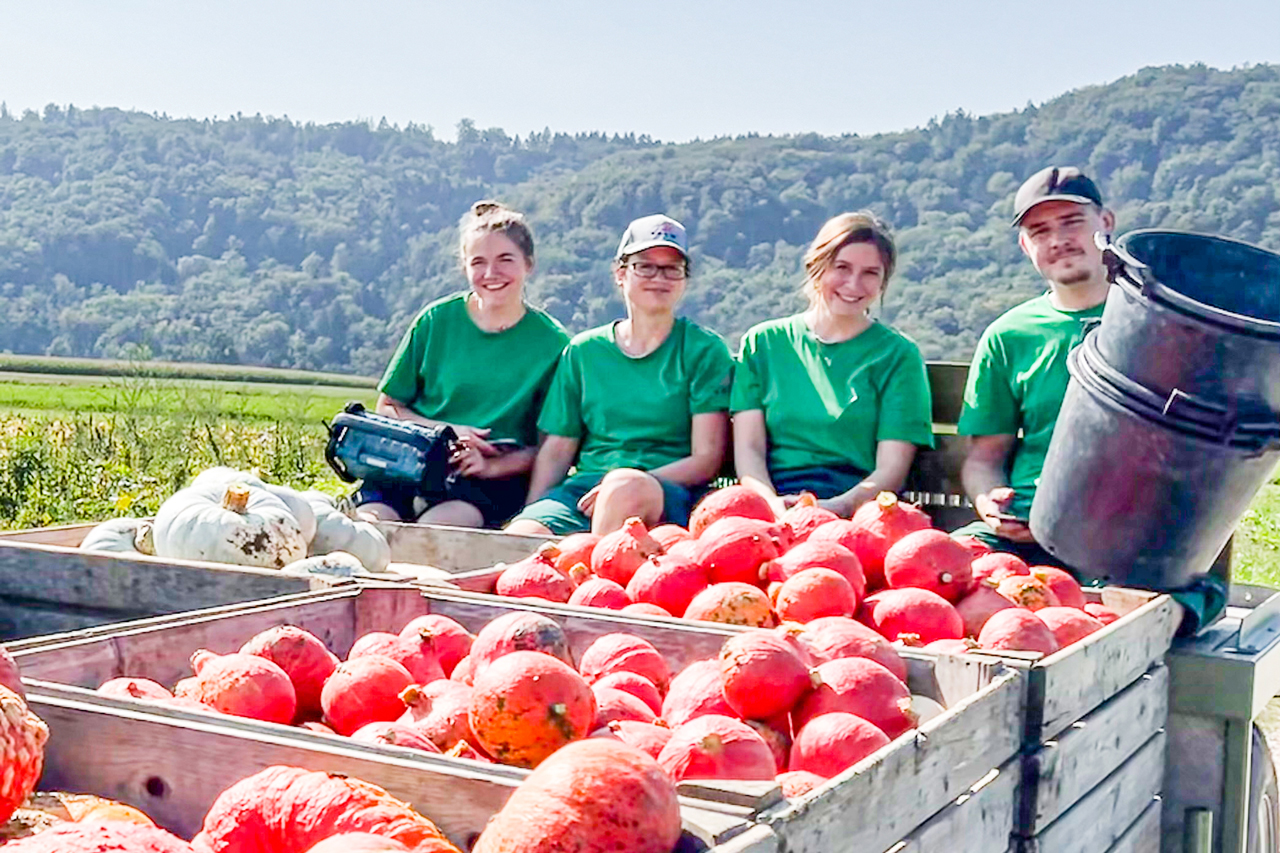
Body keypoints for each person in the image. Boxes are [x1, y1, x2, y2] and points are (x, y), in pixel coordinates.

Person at [505, 214, 733, 536]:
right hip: (584, 490)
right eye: (645, 266)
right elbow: (557, 449)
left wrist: (619, 487)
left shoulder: (703, 351)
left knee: (625, 489)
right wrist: (534, 509)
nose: (659, 277)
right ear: (620, 273)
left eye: (672, 268)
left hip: (665, 492)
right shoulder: (585, 352)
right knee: (524, 536)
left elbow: (705, 459)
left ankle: (600, 568)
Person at [355, 200, 570, 528]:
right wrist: (445, 432)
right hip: (407, 464)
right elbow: (388, 407)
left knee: (435, 535)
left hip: (488, 483)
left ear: (529, 264)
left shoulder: (554, 344)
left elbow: (551, 447)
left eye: (505, 260)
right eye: (478, 262)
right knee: (370, 529)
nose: (491, 274)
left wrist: (490, 466)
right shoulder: (435, 320)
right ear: (465, 267)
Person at [731, 211, 934, 518]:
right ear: (816, 266)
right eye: (842, 267)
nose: (854, 284)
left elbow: (892, 469)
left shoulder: (898, 355)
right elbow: (749, 451)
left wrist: (837, 507)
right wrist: (770, 504)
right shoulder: (763, 343)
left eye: (870, 273)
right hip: (772, 503)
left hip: (854, 508)